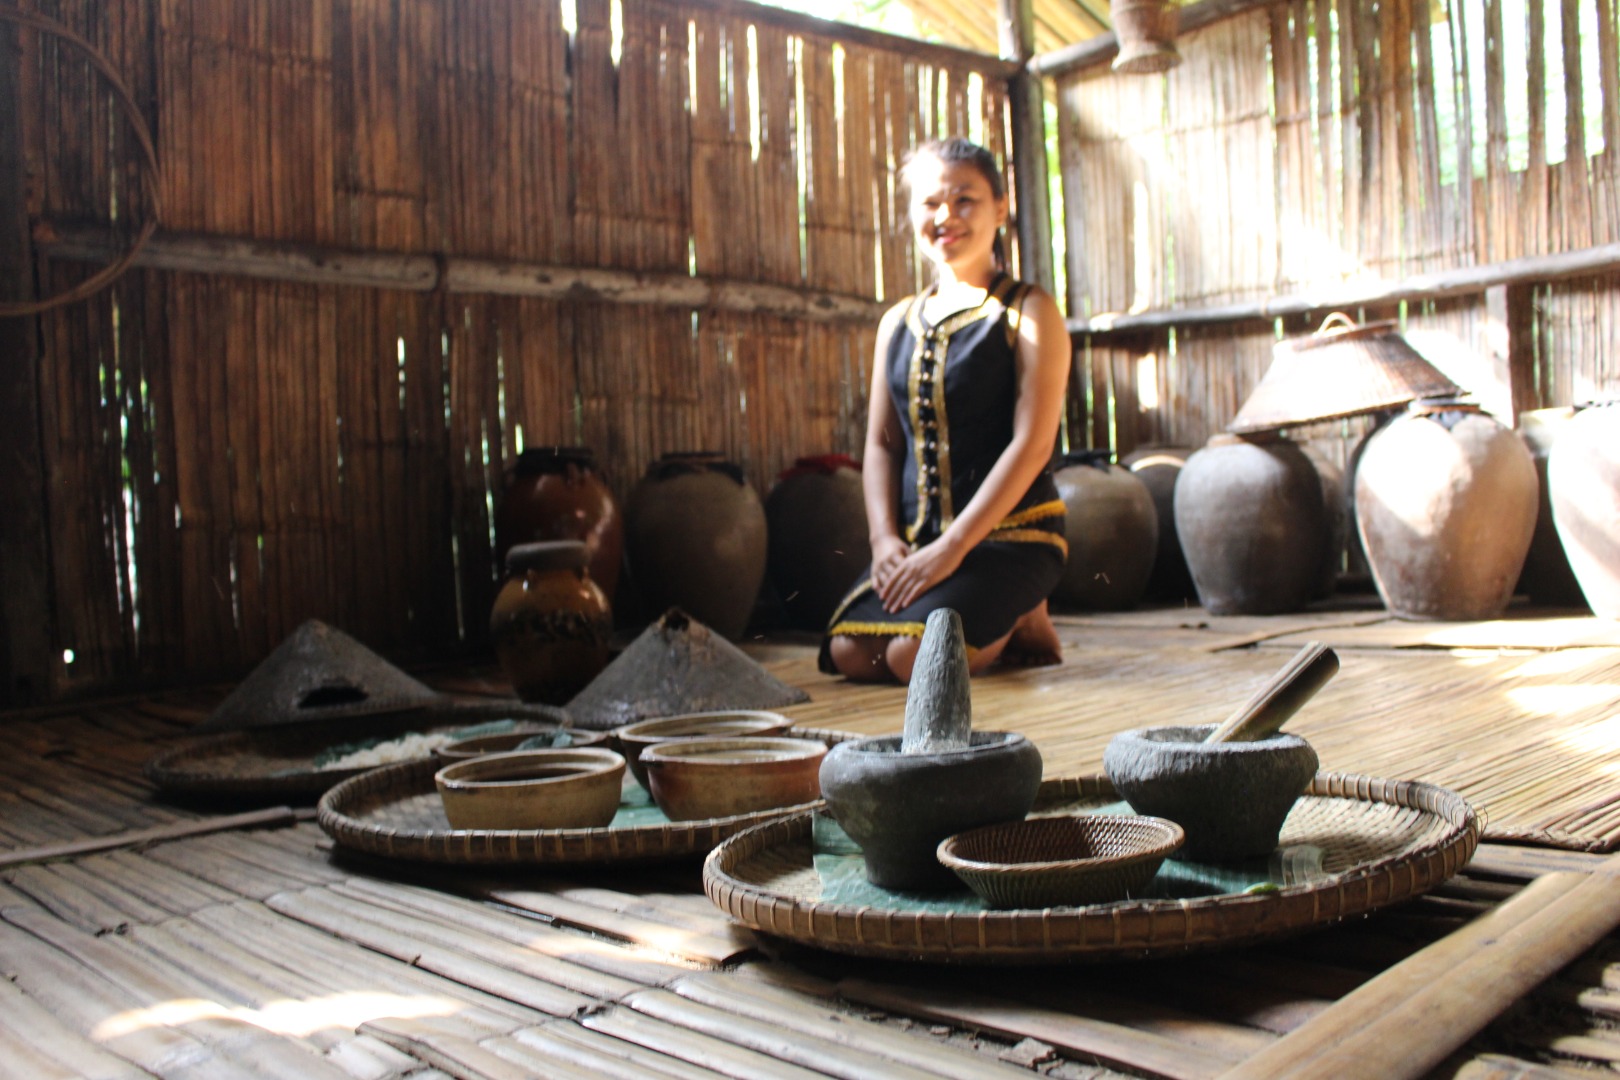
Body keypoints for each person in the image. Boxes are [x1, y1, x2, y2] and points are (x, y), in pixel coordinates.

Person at [820, 137, 1072, 684]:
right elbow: (883, 445)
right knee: (849, 654)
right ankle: (1009, 614)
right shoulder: (899, 321)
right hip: (919, 544)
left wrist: (954, 548)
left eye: (964, 200)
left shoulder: (1029, 311)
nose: (946, 216)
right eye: (931, 203)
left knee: (915, 662)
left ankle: (1025, 609)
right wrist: (885, 539)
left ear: (1000, 209)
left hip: (1011, 539)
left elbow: (1033, 446)